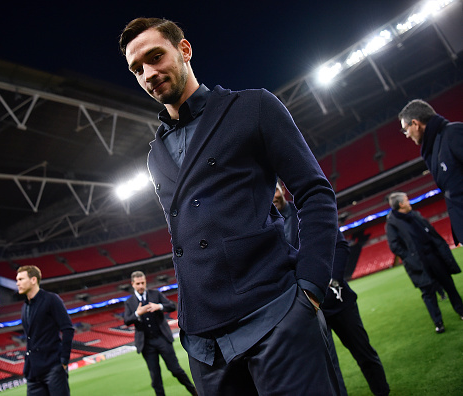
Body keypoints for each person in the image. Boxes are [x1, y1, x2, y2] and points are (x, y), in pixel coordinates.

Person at [119, 18, 340, 395]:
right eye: (137, 69)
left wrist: (311, 287)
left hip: (275, 312)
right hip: (204, 341)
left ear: (184, 50)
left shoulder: (253, 106)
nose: (148, 73)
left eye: (155, 57)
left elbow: (314, 192)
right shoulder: (155, 156)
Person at [274, 182, 390, 396]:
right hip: (310, 309)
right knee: (329, 369)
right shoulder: (269, 228)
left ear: (282, 188)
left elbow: (341, 245)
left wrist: (333, 281)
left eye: (275, 189)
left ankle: (382, 392)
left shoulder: (305, 212)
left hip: (339, 301)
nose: (273, 196)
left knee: (364, 353)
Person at [385, 192, 463, 333]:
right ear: (401, 204)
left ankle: (461, 311)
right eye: (407, 200)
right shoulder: (392, 224)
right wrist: (411, 258)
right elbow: (395, 246)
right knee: (428, 293)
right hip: (419, 263)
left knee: (449, 285)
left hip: (434, 257)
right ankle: (438, 322)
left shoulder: (415, 215)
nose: (410, 202)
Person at [398, 99, 463, 246]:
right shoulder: (434, 149)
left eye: (405, 129)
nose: (407, 135)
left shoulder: (453, 133)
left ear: (415, 123)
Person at [124, 271, 197, 396]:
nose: (141, 285)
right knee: (155, 377)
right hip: (146, 344)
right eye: (138, 283)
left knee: (176, 370)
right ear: (133, 284)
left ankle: (195, 392)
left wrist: (159, 306)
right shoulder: (129, 302)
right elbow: (126, 320)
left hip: (162, 338)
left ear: (146, 282)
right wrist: (137, 313)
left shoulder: (156, 294)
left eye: (143, 282)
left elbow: (172, 306)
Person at [16, 265, 74, 395]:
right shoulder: (25, 307)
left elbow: (67, 329)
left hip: (53, 367)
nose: (17, 283)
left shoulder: (51, 299)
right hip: (33, 372)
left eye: (21, 279)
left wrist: (64, 360)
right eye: (17, 280)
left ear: (33, 280)